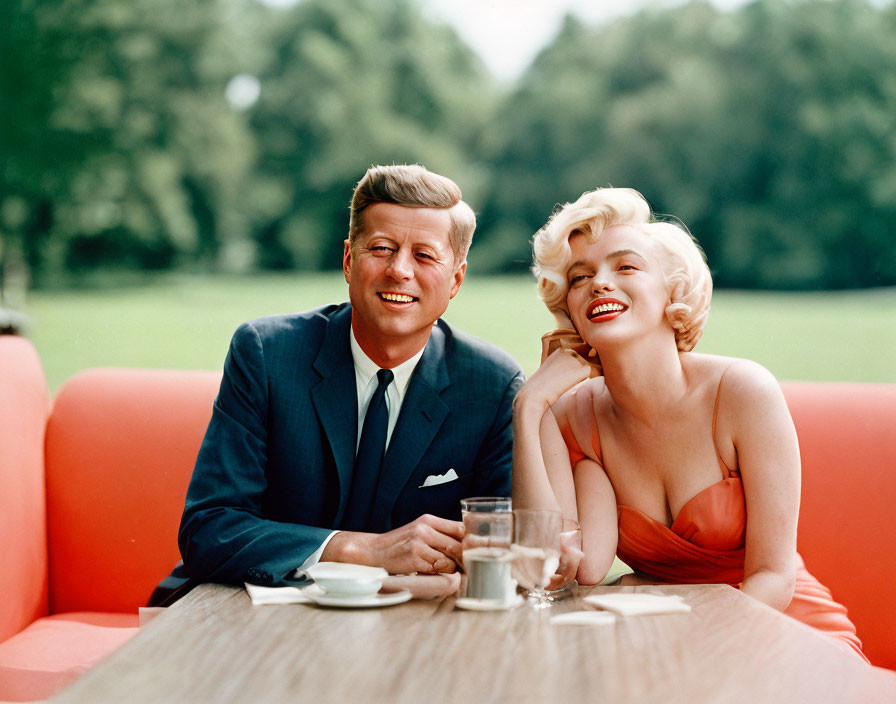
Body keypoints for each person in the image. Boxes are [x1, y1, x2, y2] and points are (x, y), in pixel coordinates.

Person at [512, 187, 867, 661]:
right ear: (569, 313)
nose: (599, 283)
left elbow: (773, 577)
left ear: (672, 291)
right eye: (580, 277)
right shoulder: (571, 417)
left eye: (626, 267)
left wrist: (691, 648)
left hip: (782, 631)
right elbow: (568, 566)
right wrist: (530, 404)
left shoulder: (743, 392)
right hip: (669, 644)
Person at [150, 164, 523, 604]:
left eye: (424, 255)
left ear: (456, 279)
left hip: (409, 623)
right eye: (382, 248)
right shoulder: (266, 354)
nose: (400, 270)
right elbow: (209, 528)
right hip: (251, 615)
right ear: (349, 260)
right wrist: (358, 549)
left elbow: (505, 552)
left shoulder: (493, 385)